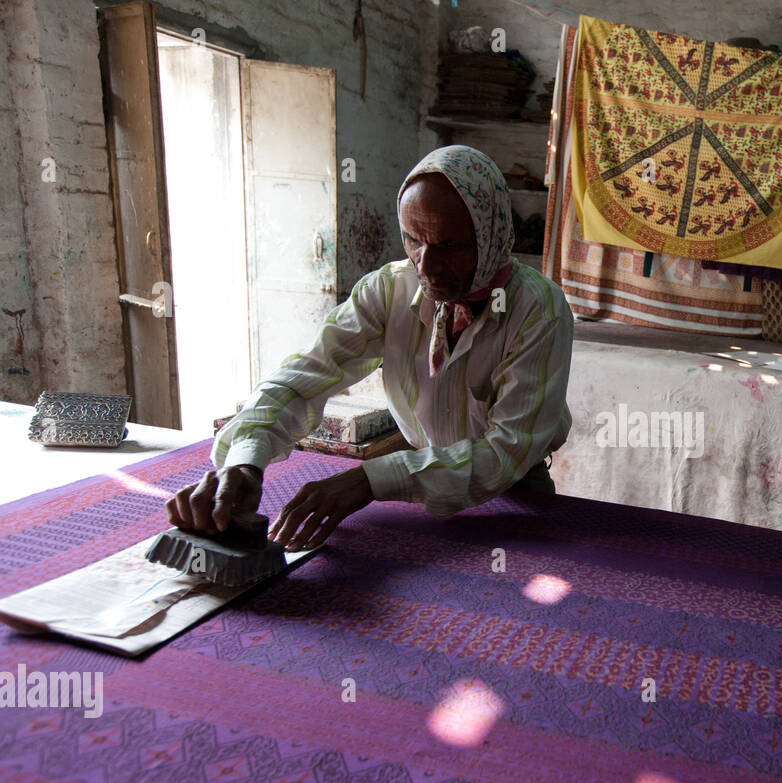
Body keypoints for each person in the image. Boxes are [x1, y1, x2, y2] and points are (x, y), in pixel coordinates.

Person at [164, 145, 573, 551]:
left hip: (517, 494)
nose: (425, 266)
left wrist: (368, 480)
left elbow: (505, 454)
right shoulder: (389, 290)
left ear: (492, 234)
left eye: (448, 246)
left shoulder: (539, 310)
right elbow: (304, 377)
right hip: (422, 482)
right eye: (413, 240)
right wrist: (246, 461)